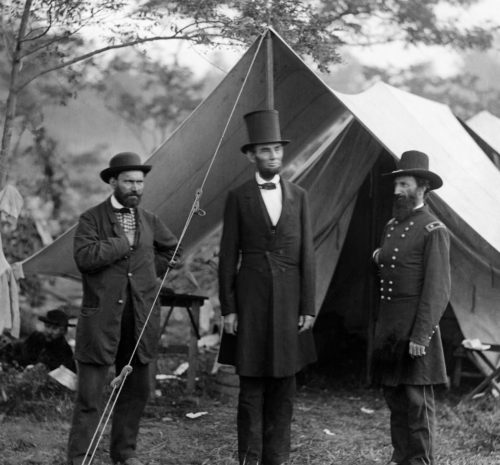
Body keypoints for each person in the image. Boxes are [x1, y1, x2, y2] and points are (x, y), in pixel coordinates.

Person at [218, 109, 317, 465]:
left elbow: (308, 254)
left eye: (277, 149)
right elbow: (228, 256)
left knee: (285, 391)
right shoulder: (238, 198)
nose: (274, 156)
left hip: (291, 303)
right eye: (266, 150)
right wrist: (228, 308)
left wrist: (308, 306)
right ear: (251, 156)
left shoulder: (300, 196)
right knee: (251, 392)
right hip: (251, 302)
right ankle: (249, 458)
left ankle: (276, 460)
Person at [67, 152, 179, 465]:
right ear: (113, 181)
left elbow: (174, 249)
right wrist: (124, 242)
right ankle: (79, 457)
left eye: (140, 182)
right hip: (101, 320)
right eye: (129, 181)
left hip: (139, 319)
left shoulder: (150, 219)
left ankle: (124, 453)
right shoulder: (92, 218)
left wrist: (149, 269)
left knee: (136, 391)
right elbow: (85, 258)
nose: (135, 188)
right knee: (90, 396)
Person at [372, 150, 451, 465]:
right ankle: (400, 456)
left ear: (422, 187)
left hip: (415, 328)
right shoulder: (391, 226)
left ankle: (420, 461)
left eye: (403, 184)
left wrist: (422, 335)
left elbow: (438, 289)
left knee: (417, 401)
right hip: (391, 327)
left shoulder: (435, 230)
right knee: (394, 397)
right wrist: (378, 256)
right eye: (396, 185)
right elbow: (390, 267)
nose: (396, 191)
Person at [0, 307, 75, 372]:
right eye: (47, 326)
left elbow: (63, 376)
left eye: (54, 328)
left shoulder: (65, 351)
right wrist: (9, 347)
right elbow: (21, 353)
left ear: (64, 331)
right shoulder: (36, 337)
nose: (49, 331)